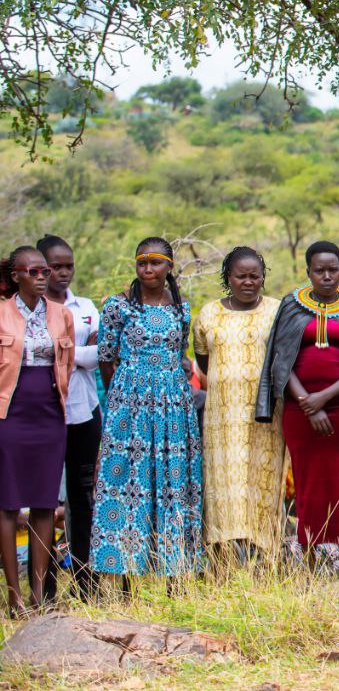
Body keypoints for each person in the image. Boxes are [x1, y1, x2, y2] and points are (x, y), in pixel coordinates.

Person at [257, 241, 339, 576]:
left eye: (333, 270)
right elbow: (279, 360)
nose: (327, 276)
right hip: (300, 412)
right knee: (307, 482)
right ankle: (312, 560)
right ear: (308, 271)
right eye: (319, 270)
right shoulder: (291, 306)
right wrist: (308, 405)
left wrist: (323, 399)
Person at [93, 238, 204, 580]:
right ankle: (124, 575)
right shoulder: (118, 306)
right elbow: (106, 357)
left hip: (173, 405)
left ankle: (175, 573)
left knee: (173, 483)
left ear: (169, 266)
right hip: (129, 407)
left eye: (155, 262)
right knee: (129, 483)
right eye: (142, 262)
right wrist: (125, 394)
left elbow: (180, 353)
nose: (148, 269)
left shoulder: (181, 308)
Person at [193, 247, 285, 563]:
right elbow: (203, 361)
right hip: (221, 417)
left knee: (260, 481)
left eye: (254, 276)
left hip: (266, 415)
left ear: (263, 278)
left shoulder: (277, 311)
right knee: (225, 482)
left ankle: (264, 555)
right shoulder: (208, 314)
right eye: (240, 276)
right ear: (227, 278)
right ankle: (225, 557)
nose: (248, 282)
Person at [0, 247, 74, 616]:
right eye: (34, 271)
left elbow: (67, 365)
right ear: (16, 276)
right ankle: (13, 597)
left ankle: (40, 595)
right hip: (9, 414)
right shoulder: (0, 313)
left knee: (46, 502)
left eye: (46, 270)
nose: (43, 276)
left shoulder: (62, 315)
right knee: (9, 504)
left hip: (48, 413)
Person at [37, 234, 100, 598]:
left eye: (68, 266)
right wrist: (77, 351)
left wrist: (65, 351)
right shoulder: (30, 311)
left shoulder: (86, 305)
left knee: (82, 498)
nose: (63, 273)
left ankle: (85, 582)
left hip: (83, 411)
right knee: (45, 499)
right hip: (44, 413)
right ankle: (43, 586)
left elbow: (99, 352)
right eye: (54, 267)